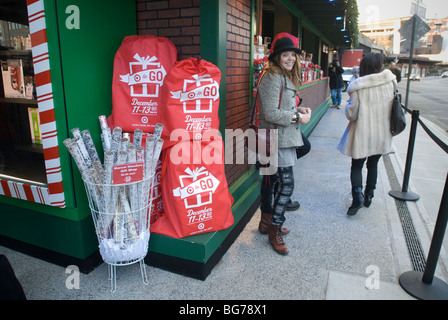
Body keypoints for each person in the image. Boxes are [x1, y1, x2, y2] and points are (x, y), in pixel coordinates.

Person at [257, 33, 311, 254]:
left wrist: (297, 109)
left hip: (278, 138)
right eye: (285, 55)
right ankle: (274, 229)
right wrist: (299, 118)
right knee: (286, 184)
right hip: (277, 139)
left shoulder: (280, 75)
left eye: (293, 55)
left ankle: (267, 223)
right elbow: (270, 113)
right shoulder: (272, 76)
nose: (290, 58)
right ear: (277, 57)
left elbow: (279, 106)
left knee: (274, 181)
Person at [337, 52, 396, 216]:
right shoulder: (390, 82)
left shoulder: (358, 87)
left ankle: (357, 196)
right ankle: (369, 195)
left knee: (357, 165)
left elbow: (351, 115)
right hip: (381, 133)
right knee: (373, 164)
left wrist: (348, 108)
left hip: (362, 133)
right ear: (379, 67)